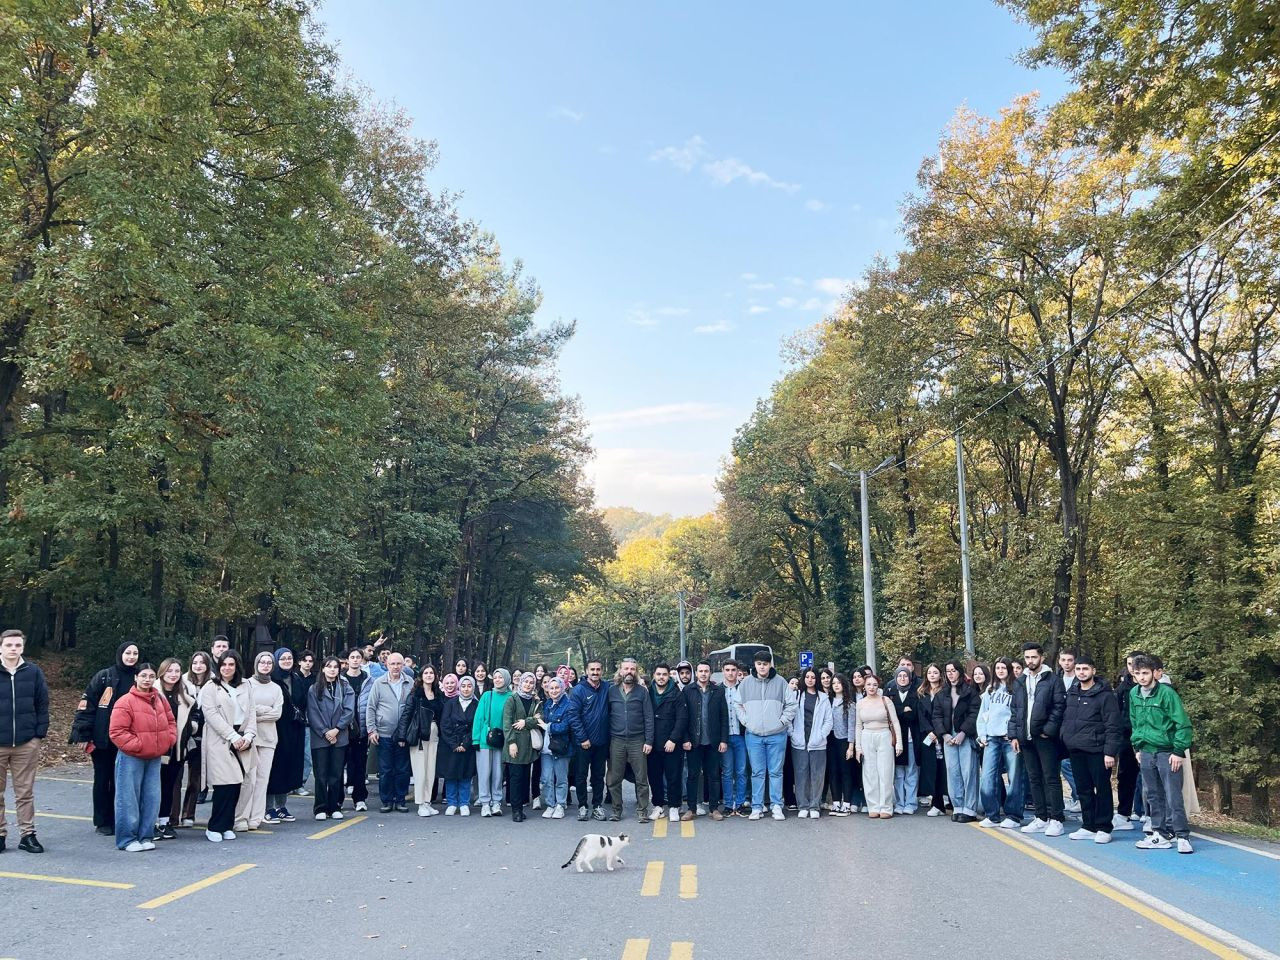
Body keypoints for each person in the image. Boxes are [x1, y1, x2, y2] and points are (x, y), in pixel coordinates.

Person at [71, 642, 140, 835]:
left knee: (124, 781)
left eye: (135, 653)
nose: (131, 657)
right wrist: (82, 733)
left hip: (129, 740)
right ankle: (102, 821)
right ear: (120, 654)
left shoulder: (140, 677)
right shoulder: (104, 676)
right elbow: (87, 705)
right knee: (103, 779)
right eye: (128, 653)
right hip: (104, 739)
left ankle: (121, 819)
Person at [1129, 654, 1194, 853]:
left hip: (1167, 752)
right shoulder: (1134, 694)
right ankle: (1160, 833)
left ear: (1154, 674)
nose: (1142, 677)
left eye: (1145, 673)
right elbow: (1135, 722)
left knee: (1173, 795)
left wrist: (1178, 751)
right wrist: (1137, 748)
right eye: (1138, 673)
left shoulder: (1167, 694)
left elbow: (1182, 724)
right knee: (1153, 795)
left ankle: (1182, 835)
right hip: (1146, 751)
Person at [108, 663, 175, 852]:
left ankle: (146, 836)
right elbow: (117, 732)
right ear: (136, 678)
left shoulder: (160, 699)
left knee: (152, 798)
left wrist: (167, 741)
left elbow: (171, 722)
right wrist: (139, 746)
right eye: (143, 675)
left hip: (154, 758)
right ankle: (127, 839)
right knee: (128, 798)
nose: (147, 679)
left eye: (151, 676)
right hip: (131, 757)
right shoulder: (125, 701)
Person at [1061, 655, 1122, 843]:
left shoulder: (1105, 695)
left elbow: (1113, 725)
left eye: (1085, 669)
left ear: (1093, 671)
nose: (1081, 672)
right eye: (1078, 669)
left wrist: (1110, 752)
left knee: (1102, 788)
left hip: (1098, 750)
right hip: (1076, 749)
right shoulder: (1072, 693)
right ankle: (1088, 825)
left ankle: (1104, 827)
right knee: (1083, 789)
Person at [1009, 641, 1066, 837]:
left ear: (1041, 657)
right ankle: (1041, 817)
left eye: (1034, 657)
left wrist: (1048, 731)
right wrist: (1014, 735)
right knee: (1033, 778)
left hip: (1045, 737)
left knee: (1050, 778)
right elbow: (1015, 710)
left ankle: (1056, 819)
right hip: (1025, 737)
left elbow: (1059, 707)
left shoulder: (1053, 680)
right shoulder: (1020, 681)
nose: (1030, 661)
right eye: (1027, 657)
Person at [198, 652, 257, 842]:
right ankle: (214, 826)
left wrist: (248, 735)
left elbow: (252, 712)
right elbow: (211, 714)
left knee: (238, 784)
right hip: (221, 739)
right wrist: (232, 736)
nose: (227, 668)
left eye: (231, 664)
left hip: (243, 738)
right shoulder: (210, 687)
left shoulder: (246, 684)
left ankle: (227, 825)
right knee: (224, 784)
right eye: (223, 664)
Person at [0, 629, 49, 854]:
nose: (13, 649)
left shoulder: (33, 672)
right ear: (1, 646)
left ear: (22, 647)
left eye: (17, 645)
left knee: (25, 792)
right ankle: (0, 835)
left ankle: (27, 835)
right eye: (9, 645)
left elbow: (42, 704)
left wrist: (38, 735)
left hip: (25, 743)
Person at [737, 649, 796, 821]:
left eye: (765, 664)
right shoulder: (746, 683)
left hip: (777, 734)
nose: (762, 667)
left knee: (776, 771)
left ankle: (777, 805)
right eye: (759, 664)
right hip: (753, 735)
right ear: (755, 665)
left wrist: (782, 722)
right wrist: (746, 722)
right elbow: (737, 705)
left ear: (770, 665)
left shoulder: (781, 682)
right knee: (757, 772)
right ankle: (757, 806)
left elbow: (791, 705)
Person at [234, 652, 283, 832]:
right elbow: (245, 710)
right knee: (249, 779)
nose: (265, 665)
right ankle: (242, 817)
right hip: (250, 737)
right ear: (256, 663)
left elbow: (277, 713)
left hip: (269, 739)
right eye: (262, 662)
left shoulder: (276, 688)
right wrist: (263, 711)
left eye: (269, 662)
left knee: (263, 780)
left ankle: (256, 817)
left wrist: (256, 711)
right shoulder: (246, 684)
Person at [606, 657, 653, 822]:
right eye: (626, 669)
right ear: (620, 670)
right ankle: (616, 810)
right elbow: (606, 715)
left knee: (641, 778)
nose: (629, 672)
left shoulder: (642, 692)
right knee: (614, 778)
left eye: (632, 669)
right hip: (617, 740)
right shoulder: (611, 691)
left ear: (636, 672)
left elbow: (649, 718)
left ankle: (642, 810)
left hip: (637, 740)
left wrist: (649, 741)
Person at [307, 656, 354, 821]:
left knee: (336, 773)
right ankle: (320, 807)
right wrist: (325, 731)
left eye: (335, 666)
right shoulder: (314, 688)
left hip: (340, 736)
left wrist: (337, 730)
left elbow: (349, 710)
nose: (332, 669)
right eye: (329, 666)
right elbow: (312, 713)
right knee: (321, 774)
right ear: (323, 668)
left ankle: (334, 806)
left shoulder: (345, 687)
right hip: (320, 737)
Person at [976, 658, 1022, 828]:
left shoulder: (1017, 688)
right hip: (991, 739)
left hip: (1009, 739)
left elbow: (1019, 714)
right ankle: (992, 815)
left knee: (1014, 778)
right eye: (997, 668)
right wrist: (982, 735)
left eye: (1004, 668)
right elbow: (982, 715)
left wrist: (1014, 735)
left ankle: (1013, 816)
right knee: (988, 777)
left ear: (1009, 670)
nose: (1000, 671)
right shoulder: (990, 690)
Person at [933, 660, 980, 823]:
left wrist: (963, 733)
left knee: (968, 772)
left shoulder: (970, 692)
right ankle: (958, 806)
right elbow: (936, 716)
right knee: (953, 773)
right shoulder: (941, 693)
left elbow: (974, 714)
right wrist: (944, 734)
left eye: (953, 670)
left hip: (965, 736)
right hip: (948, 737)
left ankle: (970, 809)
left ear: (959, 672)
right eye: (948, 671)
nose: (950, 673)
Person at [366, 651, 413, 813]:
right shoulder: (378, 683)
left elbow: (413, 708)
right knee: (385, 770)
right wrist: (372, 730)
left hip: (403, 735)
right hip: (383, 733)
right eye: (392, 663)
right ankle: (386, 801)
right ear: (386, 665)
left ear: (403, 665)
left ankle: (400, 800)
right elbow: (370, 707)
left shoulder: (410, 682)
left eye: (398, 664)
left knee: (402, 769)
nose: (395, 667)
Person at [682, 660, 729, 821]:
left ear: (710, 672)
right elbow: (683, 717)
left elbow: (724, 717)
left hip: (713, 742)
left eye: (706, 671)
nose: (703, 673)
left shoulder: (718, 691)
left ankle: (714, 808)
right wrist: (685, 739)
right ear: (696, 672)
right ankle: (691, 808)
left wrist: (723, 740)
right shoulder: (688, 690)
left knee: (714, 775)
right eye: (701, 671)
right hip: (694, 742)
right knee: (693, 775)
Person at [155, 658, 196, 840]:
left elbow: (196, 712)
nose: (173, 674)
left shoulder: (185, 692)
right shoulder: (153, 691)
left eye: (177, 671)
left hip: (178, 750)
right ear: (162, 672)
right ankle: (152, 823)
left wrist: (191, 727)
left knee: (169, 786)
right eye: (169, 671)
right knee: (153, 788)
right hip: (157, 750)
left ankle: (164, 822)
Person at [853, 673, 901, 817]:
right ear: (864, 686)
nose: (871, 687)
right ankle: (873, 806)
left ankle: (886, 807)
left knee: (885, 772)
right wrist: (858, 748)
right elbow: (858, 726)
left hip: (884, 736)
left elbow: (895, 722)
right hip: (867, 736)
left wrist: (899, 743)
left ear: (878, 685)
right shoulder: (860, 703)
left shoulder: (885, 700)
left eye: (874, 684)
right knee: (869, 773)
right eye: (868, 684)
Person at [266, 649, 306, 823]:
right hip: (274, 729)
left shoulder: (296, 678)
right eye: (283, 658)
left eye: (290, 657)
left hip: (294, 729)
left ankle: (281, 806)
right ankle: (268, 808)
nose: (287, 661)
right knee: (273, 769)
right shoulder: (271, 679)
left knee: (288, 767)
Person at [569, 658, 611, 822]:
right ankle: (582, 806)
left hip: (601, 741)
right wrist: (583, 737)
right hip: (583, 742)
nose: (595, 672)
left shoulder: (607, 688)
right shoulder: (579, 690)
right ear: (586, 671)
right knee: (580, 775)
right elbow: (573, 716)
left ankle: (597, 806)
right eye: (592, 670)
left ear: (602, 671)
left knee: (598, 775)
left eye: (598, 670)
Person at [397, 664, 441, 816]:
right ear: (421, 676)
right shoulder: (415, 694)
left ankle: (427, 802)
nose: (429, 675)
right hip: (419, 736)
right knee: (420, 771)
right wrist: (402, 736)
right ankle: (420, 803)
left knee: (430, 770)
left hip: (434, 736)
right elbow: (406, 714)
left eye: (431, 672)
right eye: (426, 673)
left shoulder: (438, 693)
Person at [788, 667, 832, 819]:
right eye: (807, 677)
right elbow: (788, 717)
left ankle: (815, 805)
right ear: (803, 679)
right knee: (801, 775)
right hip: (799, 741)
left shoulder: (823, 698)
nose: (810, 679)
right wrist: (792, 734)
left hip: (817, 743)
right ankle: (803, 805)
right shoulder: (796, 695)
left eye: (813, 677)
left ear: (817, 679)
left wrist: (820, 736)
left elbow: (828, 721)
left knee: (817, 775)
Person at [647, 664, 688, 822]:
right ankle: (658, 806)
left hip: (671, 743)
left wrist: (673, 739)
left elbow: (682, 719)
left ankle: (673, 806)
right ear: (654, 675)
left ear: (668, 677)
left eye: (664, 674)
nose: (661, 677)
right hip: (652, 743)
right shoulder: (648, 692)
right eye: (658, 674)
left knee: (673, 776)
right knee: (654, 776)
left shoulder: (676, 694)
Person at [502, 672, 542, 822]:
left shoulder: (535, 701)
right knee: (515, 778)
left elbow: (539, 719)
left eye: (531, 683)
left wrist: (526, 722)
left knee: (525, 776)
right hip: (515, 744)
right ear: (520, 682)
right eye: (526, 682)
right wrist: (511, 742)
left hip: (528, 746)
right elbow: (507, 723)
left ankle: (521, 808)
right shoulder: (512, 700)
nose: (528, 685)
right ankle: (516, 810)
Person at [178, 652, 212, 826]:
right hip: (183, 734)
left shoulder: (215, 683)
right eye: (195, 662)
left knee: (195, 778)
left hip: (205, 735)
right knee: (175, 777)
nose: (198, 665)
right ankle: (171, 815)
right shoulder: (181, 681)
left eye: (202, 662)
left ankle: (188, 814)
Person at [473, 667, 512, 817]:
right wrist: (476, 738)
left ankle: (496, 801)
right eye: (495, 677)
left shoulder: (511, 697)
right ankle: (484, 802)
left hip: (502, 740)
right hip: (485, 739)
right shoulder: (486, 696)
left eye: (500, 677)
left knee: (498, 772)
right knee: (484, 772)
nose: (497, 680)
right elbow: (478, 718)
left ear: (506, 679)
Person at [886, 665, 924, 816]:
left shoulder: (917, 692)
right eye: (900, 676)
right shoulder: (890, 692)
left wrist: (899, 712)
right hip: (895, 738)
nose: (902, 679)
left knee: (911, 772)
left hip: (911, 737)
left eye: (905, 676)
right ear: (895, 678)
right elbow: (890, 715)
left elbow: (914, 715)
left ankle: (910, 802)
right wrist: (903, 710)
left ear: (910, 677)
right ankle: (899, 803)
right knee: (898, 773)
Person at [1113, 651, 1144, 831]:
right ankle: (1123, 813)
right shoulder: (1122, 688)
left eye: (1136, 663)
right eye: (1130, 664)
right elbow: (1116, 713)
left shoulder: (1155, 687)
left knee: (1149, 779)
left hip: (1147, 739)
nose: (1133, 668)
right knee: (1125, 776)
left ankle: (1147, 814)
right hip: (1126, 738)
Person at [438, 675, 478, 814]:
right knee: (451, 774)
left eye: (469, 686)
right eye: (463, 686)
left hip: (468, 744)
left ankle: (464, 803)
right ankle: (452, 802)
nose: (466, 689)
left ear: (473, 687)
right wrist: (454, 744)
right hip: (451, 745)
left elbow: (475, 726)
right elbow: (445, 724)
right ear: (459, 687)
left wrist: (465, 743)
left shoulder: (476, 704)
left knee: (465, 774)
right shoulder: (450, 703)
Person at [539, 675, 573, 818]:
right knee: (546, 778)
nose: (554, 690)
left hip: (561, 747)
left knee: (561, 778)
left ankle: (560, 804)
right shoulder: (546, 704)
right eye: (551, 688)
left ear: (562, 688)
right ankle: (550, 804)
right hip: (547, 748)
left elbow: (565, 726)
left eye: (557, 687)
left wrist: (547, 726)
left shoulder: (568, 705)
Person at [719, 660, 749, 816]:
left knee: (742, 771)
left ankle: (741, 803)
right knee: (727, 772)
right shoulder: (717, 690)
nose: (730, 673)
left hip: (741, 736)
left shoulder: (744, 688)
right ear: (723, 671)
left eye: (733, 670)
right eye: (727, 670)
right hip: (724, 737)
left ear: (738, 672)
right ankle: (729, 804)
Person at [916, 664, 947, 816]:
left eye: (935, 672)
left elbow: (947, 715)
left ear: (940, 675)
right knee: (931, 770)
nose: (932, 675)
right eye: (930, 673)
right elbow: (920, 715)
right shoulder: (922, 693)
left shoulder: (946, 692)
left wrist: (938, 732)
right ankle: (936, 803)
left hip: (943, 734)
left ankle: (947, 802)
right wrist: (930, 732)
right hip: (928, 737)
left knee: (944, 770)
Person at [342, 648, 371, 813]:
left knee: (360, 765)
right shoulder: (340, 679)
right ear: (347, 660)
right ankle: (337, 799)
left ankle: (360, 799)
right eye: (352, 657)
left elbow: (373, 704)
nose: (355, 660)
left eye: (358, 657)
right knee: (340, 766)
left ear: (361, 660)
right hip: (343, 728)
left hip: (361, 728)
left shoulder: (369, 680)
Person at [1056, 646, 1081, 815]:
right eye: (1063, 660)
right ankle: (1074, 797)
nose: (1066, 663)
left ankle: (1080, 796)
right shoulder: (1056, 679)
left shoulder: (1080, 680)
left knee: (1069, 764)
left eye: (1070, 660)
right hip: (1057, 728)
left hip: (1075, 728)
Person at [826, 672, 855, 816]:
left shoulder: (849, 703)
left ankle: (847, 804)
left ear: (844, 684)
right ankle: (836, 803)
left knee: (845, 772)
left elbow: (851, 726)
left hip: (843, 740)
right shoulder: (827, 701)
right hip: (829, 740)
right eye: (833, 683)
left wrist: (851, 746)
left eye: (839, 683)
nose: (836, 685)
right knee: (833, 771)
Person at [295, 649, 316, 797]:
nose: (308, 663)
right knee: (293, 753)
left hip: (310, 721)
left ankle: (301, 783)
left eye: (310, 661)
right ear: (299, 662)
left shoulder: (316, 679)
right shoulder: (294, 678)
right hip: (295, 720)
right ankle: (292, 783)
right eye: (305, 660)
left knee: (307, 755)